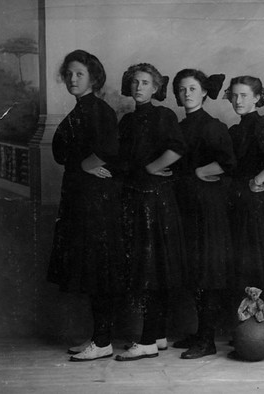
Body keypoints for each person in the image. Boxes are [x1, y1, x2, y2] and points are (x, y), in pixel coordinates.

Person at [47, 50, 125, 361]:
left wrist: (83, 166)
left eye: (79, 74)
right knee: (90, 268)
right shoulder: (82, 109)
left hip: (96, 201)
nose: (72, 79)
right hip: (81, 199)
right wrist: (81, 166)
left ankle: (103, 341)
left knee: (98, 269)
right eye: (69, 74)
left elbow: (109, 148)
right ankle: (99, 337)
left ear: (93, 77)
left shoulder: (98, 109)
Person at [114, 63, 187, 361]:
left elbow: (177, 149)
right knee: (147, 267)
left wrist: (149, 170)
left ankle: (147, 340)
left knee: (152, 268)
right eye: (135, 82)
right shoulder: (127, 121)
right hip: (134, 199)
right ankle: (156, 336)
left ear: (156, 88)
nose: (138, 87)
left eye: (145, 82)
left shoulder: (163, 115)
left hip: (155, 201)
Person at [171, 69, 236, 359]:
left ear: (204, 93)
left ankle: (207, 340)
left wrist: (199, 171)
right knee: (195, 272)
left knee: (207, 272)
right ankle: (201, 333)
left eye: (192, 89)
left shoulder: (212, 126)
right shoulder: (180, 126)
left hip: (208, 209)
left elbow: (230, 164)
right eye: (182, 89)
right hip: (186, 206)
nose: (187, 94)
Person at [223, 75, 264, 293]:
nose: (238, 101)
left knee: (261, 259)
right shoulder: (234, 131)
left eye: (243, 95)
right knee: (242, 258)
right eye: (234, 96)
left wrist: (257, 179)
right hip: (240, 200)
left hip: (261, 202)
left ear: (257, 97)